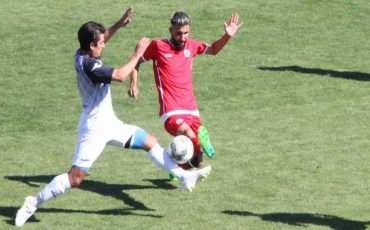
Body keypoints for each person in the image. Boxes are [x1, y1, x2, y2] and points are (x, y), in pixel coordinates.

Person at [15, 7, 211, 227]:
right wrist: (138, 53)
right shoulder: (91, 66)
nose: (104, 44)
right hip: (93, 129)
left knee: (151, 142)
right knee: (76, 179)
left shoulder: (82, 51)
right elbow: (119, 75)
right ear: (92, 46)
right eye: (101, 43)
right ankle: (33, 202)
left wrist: (119, 23)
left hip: (110, 123)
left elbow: (102, 37)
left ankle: (184, 177)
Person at [129, 11, 242, 170]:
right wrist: (133, 83)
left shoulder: (192, 45)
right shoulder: (158, 46)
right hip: (171, 111)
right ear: (170, 30)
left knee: (196, 161)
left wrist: (227, 35)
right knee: (189, 136)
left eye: (186, 33)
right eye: (178, 33)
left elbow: (214, 49)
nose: (182, 37)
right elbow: (135, 62)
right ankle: (200, 143)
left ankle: (179, 168)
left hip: (191, 109)